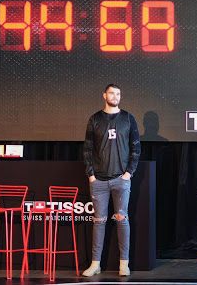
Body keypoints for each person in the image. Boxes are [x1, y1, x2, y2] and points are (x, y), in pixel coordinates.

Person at [81, 84, 141, 277]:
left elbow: (136, 148)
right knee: (99, 222)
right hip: (98, 181)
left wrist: (128, 173)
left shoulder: (128, 118)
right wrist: (91, 174)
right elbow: (87, 149)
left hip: (120, 180)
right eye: (112, 93)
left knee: (122, 220)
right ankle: (95, 264)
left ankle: (124, 263)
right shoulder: (95, 119)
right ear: (104, 95)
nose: (115, 96)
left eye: (118, 94)